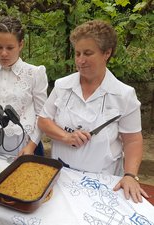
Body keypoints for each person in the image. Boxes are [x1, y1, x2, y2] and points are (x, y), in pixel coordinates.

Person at [38, 20, 149, 203]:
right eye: (78, 53)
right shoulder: (63, 86)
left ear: (107, 53)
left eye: (88, 53)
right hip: (60, 177)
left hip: (103, 183)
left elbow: (133, 140)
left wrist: (130, 175)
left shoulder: (123, 95)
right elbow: (43, 120)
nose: (80, 60)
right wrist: (66, 137)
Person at [0, 16, 48, 157]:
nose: (3, 53)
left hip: (23, 146)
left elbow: (42, 114)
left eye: (10, 48)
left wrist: (31, 146)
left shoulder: (34, 73)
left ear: (21, 45)